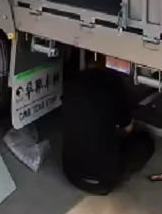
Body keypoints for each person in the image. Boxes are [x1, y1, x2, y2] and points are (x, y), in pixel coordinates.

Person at [61, 58, 154, 195]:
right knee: (145, 142)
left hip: (72, 175)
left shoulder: (72, 82)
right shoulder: (113, 83)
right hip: (104, 181)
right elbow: (128, 129)